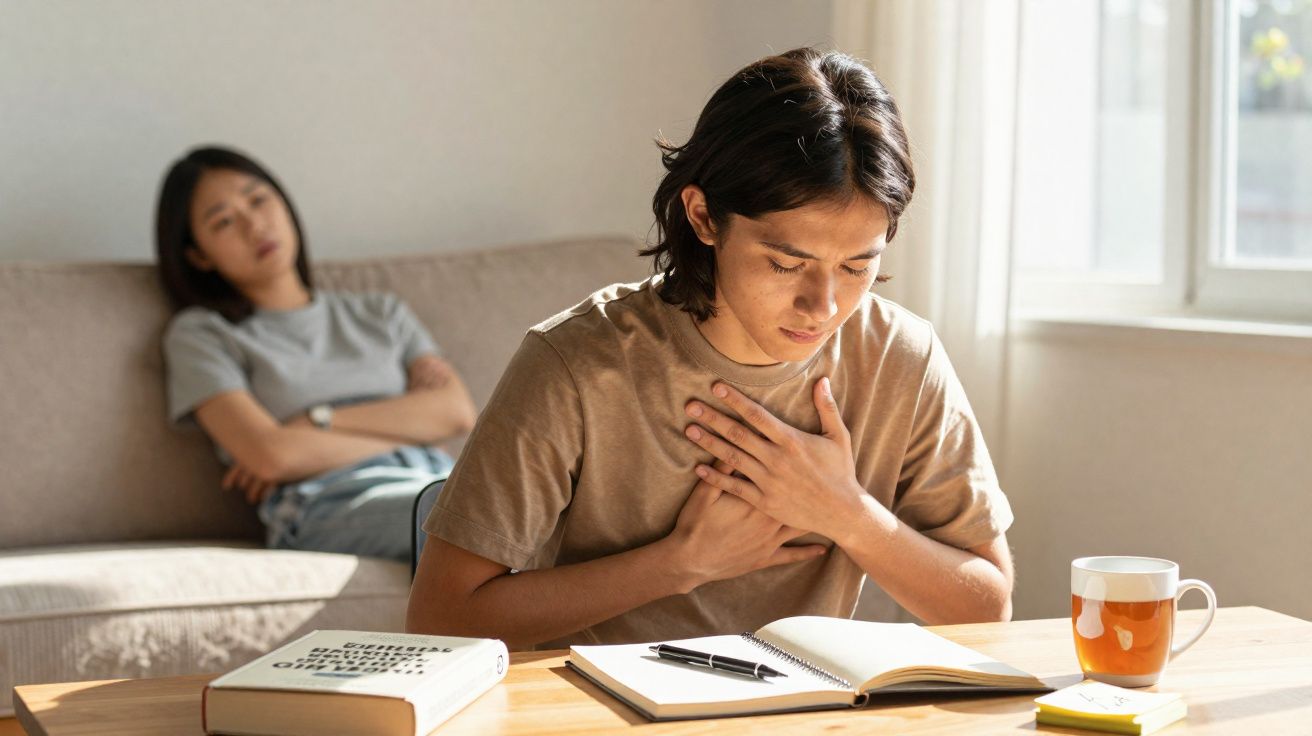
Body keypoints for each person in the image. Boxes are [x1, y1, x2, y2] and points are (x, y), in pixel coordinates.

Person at [407, 47, 1014, 649]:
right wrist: (680, 562)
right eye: (785, 263)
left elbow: (990, 609)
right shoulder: (577, 363)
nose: (823, 306)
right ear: (703, 216)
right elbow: (440, 618)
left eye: (857, 266)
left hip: (803, 711)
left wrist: (847, 513)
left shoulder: (900, 356)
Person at [156, 146, 477, 561]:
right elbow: (271, 456)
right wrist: (411, 425)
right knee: (463, 517)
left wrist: (316, 422)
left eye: (258, 200)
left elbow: (456, 413)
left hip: (438, 480)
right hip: (327, 502)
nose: (254, 225)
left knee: (544, 509)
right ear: (199, 255)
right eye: (223, 221)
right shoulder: (203, 334)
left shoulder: (381, 312)